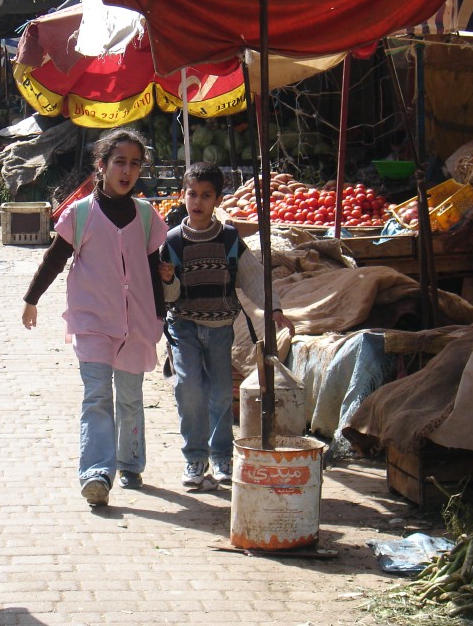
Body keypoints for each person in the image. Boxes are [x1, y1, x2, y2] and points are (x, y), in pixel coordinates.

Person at [22, 129, 168, 507]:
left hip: (135, 324)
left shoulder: (147, 216)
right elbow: (54, 259)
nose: (127, 170)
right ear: (101, 166)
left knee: (131, 397)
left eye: (135, 163)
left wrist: (159, 317)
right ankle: (96, 473)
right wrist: (31, 299)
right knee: (98, 397)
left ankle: (131, 460)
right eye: (119, 161)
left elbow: (152, 268)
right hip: (92, 322)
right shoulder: (81, 213)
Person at [160, 162, 295, 487]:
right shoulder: (173, 241)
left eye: (206, 195)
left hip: (221, 327)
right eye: (192, 194)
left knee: (220, 394)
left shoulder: (230, 239)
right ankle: (195, 459)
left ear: (218, 200)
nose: (198, 201)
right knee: (189, 388)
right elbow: (169, 294)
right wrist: (169, 279)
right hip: (184, 327)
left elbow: (251, 277)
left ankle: (221, 458)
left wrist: (274, 308)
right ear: (183, 195)